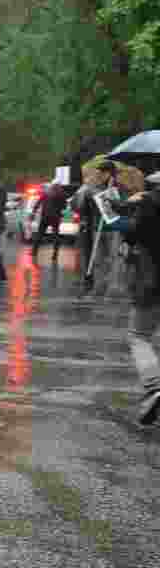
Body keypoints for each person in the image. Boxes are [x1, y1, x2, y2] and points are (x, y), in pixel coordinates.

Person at [122, 172, 160, 424]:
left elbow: (130, 232)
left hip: (151, 280)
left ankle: (154, 384)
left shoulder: (147, 206)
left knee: (139, 335)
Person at [32, 182, 66, 260]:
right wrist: (59, 210)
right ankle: (55, 254)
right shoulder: (62, 195)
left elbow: (38, 203)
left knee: (40, 234)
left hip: (45, 217)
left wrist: (34, 211)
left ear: (52, 186)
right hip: (55, 218)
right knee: (56, 235)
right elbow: (64, 206)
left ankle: (34, 251)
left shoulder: (46, 193)